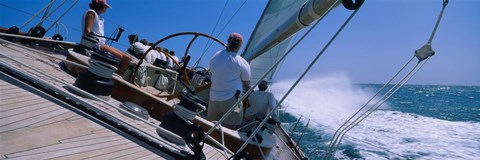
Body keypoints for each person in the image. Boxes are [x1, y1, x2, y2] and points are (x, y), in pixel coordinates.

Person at [203, 32, 251, 130]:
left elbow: (212, 69)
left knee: (209, 125)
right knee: (230, 128)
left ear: (228, 42)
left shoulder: (216, 56)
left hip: (214, 96)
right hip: (231, 99)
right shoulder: (242, 63)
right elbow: (246, 83)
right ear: (240, 46)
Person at [81, 0, 131, 76]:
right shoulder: (91, 13)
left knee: (127, 59)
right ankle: (112, 78)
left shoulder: (100, 17)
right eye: (105, 7)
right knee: (119, 56)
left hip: (102, 44)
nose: (106, 9)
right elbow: (87, 32)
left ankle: (118, 78)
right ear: (101, 6)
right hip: (96, 45)